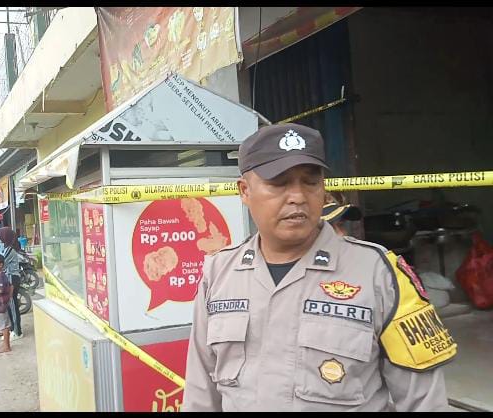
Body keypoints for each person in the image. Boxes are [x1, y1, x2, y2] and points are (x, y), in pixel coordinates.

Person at [182, 123, 456, 412]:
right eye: (279, 182)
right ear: (245, 191)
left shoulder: (379, 273)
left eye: (310, 181)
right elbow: (201, 394)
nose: (298, 196)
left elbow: (425, 402)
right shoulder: (219, 273)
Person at [0, 227, 23, 341]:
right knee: (9, 305)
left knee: (12, 305)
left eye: (0, 236)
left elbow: (0, 263)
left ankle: (17, 332)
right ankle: (12, 329)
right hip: (9, 278)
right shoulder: (6, 248)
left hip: (12, 279)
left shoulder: (9, 250)